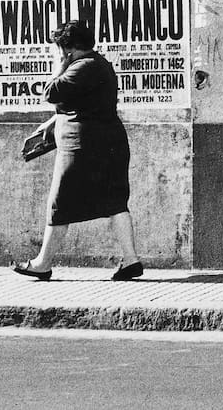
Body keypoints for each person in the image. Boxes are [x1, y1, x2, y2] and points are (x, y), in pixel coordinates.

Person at [13, 20, 142, 282]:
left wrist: (60, 64)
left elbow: (51, 92)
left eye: (60, 48)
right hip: (107, 143)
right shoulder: (97, 64)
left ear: (68, 48)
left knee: (60, 202)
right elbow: (81, 104)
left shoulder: (82, 67)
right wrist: (52, 124)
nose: (58, 52)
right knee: (114, 201)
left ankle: (42, 263)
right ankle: (131, 260)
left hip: (83, 147)